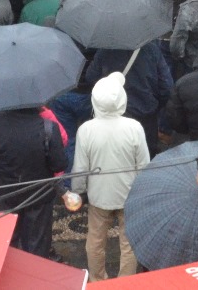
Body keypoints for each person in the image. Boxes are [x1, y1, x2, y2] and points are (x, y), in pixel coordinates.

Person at [71, 72, 149, 281]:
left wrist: (78, 192)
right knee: (129, 243)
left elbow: (80, 168)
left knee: (95, 242)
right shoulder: (134, 127)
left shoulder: (86, 130)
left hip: (98, 196)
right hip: (129, 195)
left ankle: (98, 280)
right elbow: (144, 165)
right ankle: (126, 282)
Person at [0, 103, 70, 257]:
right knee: (36, 245)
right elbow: (59, 164)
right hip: (40, 195)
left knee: (9, 239)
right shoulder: (48, 128)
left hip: (7, 190)